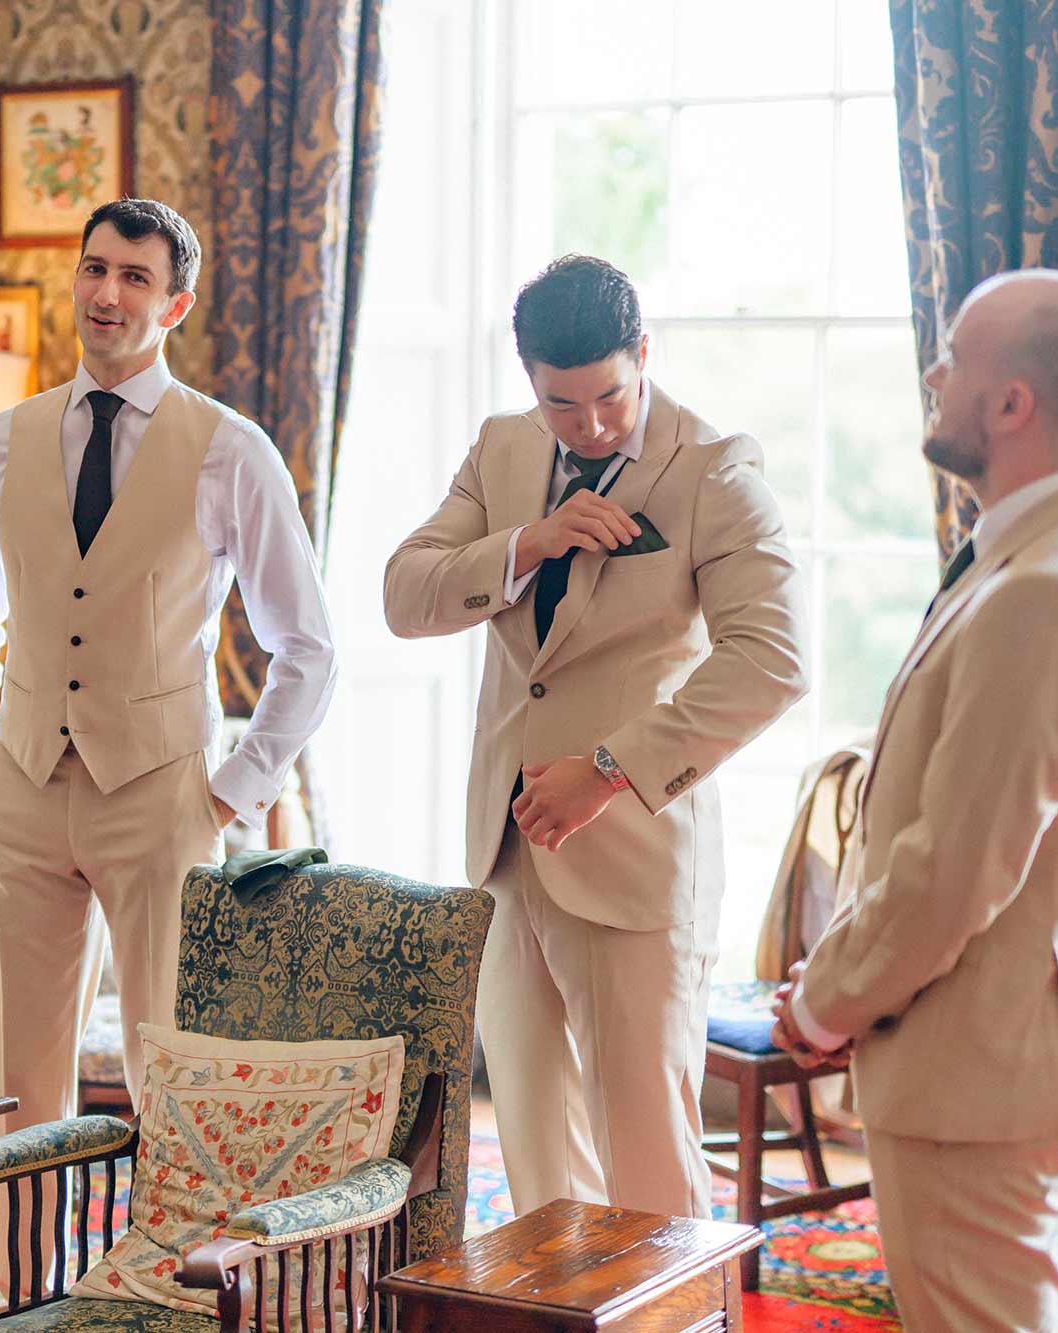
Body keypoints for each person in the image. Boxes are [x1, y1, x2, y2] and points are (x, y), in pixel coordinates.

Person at [774, 269, 1058, 1333]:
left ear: (1010, 404)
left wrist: (823, 1002)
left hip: (977, 1073)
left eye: (953, 356)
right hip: (1017, 1056)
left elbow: (956, 870)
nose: (932, 374)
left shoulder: (1041, 589)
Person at [383, 255, 808, 1218]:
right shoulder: (501, 450)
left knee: (648, 1165)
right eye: (562, 404)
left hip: (634, 854)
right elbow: (405, 595)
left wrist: (611, 770)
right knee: (534, 1153)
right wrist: (529, 543)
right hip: (504, 846)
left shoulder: (716, 466)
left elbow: (773, 660)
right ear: (529, 378)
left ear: (644, 353)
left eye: (610, 396)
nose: (591, 425)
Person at [0, 197, 336, 1136]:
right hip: (21, 785)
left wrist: (232, 792)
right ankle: (27, 1287)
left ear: (176, 304)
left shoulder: (231, 452)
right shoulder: (2, 443)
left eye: (135, 277)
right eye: (94, 268)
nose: (106, 294)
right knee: (19, 1093)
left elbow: (308, 646)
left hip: (160, 796)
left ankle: (166, 1284)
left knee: (176, 1080)